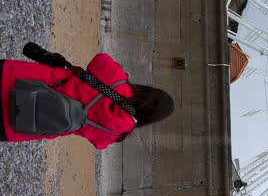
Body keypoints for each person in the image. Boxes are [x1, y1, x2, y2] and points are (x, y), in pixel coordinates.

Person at [0, 43, 174, 149]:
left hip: (15, 78)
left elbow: (101, 59)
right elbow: (99, 143)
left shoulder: (117, 82)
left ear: (147, 91)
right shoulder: (115, 133)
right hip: (18, 123)